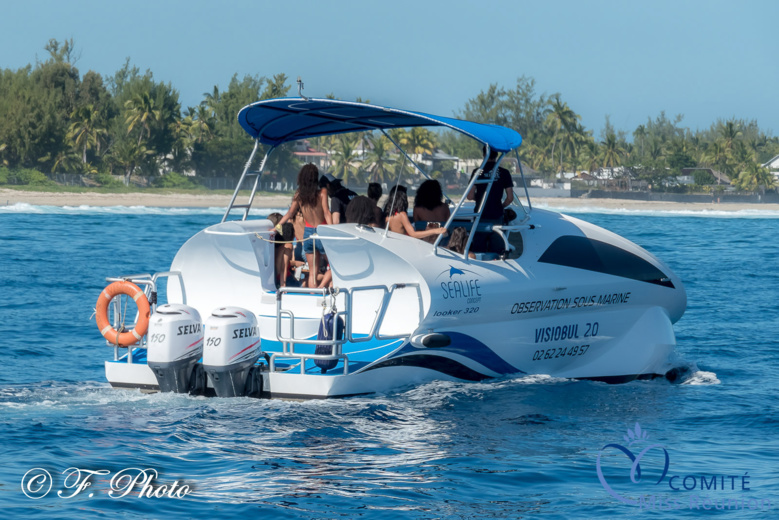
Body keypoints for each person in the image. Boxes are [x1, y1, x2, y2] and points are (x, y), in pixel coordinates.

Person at [277, 164, 329, 288]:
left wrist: (277, 227)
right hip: (321, 232)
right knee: (334, 266)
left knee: (312, 272)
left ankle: (312, 294)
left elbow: (290, 213)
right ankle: (320, 289)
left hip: (308, 234)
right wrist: (333, 231)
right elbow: (326, 212)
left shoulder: (299, 194)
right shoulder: (322, 192)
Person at [467, 147, 515, 251]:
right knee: (497, 251)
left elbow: (469, 196)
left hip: (480, 216)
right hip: (497, 216)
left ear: (484, 154)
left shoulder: (477, 172)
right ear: (496, 155)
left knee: (478, 250)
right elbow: (510, 198)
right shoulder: (504, 173)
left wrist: (479, 198)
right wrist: (501, 206)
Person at [384, 189, 448, 241]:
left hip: (393, 241)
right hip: (403, 242)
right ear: (403, 201)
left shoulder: (388, 214)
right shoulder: (402, 215)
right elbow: (413, 234)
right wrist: (435, 231)